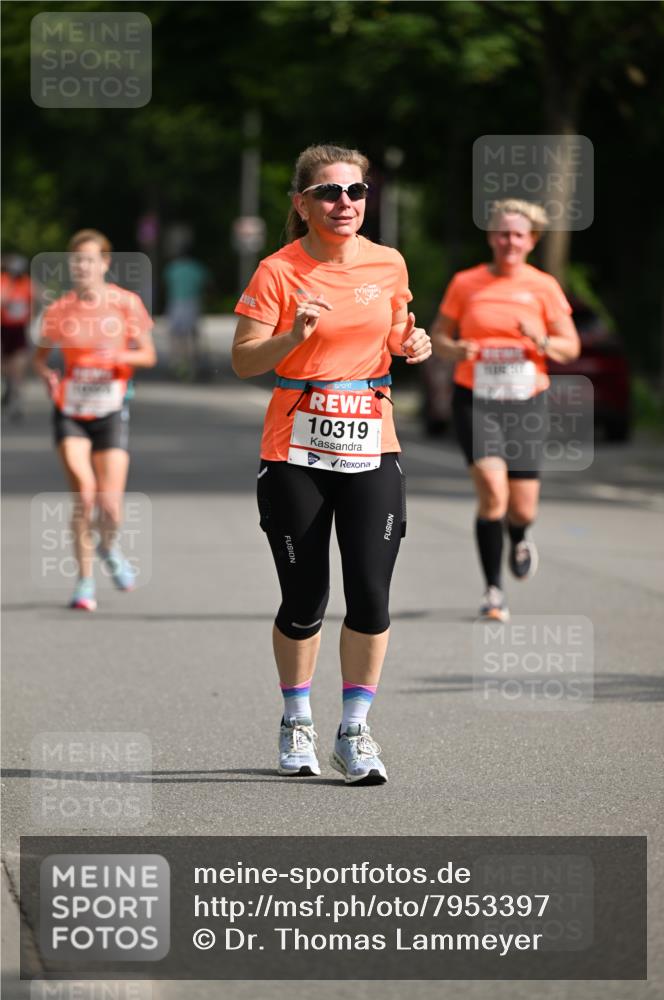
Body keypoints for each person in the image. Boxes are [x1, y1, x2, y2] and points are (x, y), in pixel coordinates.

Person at [232, 144, 431, 784]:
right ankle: (296, 722)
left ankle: (354, 731)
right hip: (295, 447)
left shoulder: (389, 261)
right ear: (302, 203)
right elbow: (243, 361)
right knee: (306, 597)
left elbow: (397, 331)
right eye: (329, 192)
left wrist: (411, 342)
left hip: (372, 443)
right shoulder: (277, 271)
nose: (345, 203)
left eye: (356, 191)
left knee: (371, 595)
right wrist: (293, 338)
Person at [431, 199, 580, 622]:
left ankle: (520, 534)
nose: (509, 241)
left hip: (527, 402)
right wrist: (455, 348)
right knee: (492, 494)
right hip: (476, 400)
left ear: (531, 240)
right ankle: (494, 591)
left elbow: (570, 348)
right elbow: (439, 335)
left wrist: (542, 340)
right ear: (490, 236)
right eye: (501, 233)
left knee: (522, 507)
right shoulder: (466, 283)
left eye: (518, 234)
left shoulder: (544, 286)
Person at [33, 229, 156, 611]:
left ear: (104, 264)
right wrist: (47, 375)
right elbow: (40, 356)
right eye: (76, 261)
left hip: (111, 408)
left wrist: (115, 358)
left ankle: (108, 545)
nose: (82, 267)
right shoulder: (59, 309)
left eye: (89, 260)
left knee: (111, 505)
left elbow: (147, 356)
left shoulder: (126, 304)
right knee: (84, 494)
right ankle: (84, 583)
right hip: (70, 410)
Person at [163, 249, 209, 379]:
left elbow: (167, 284)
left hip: (175, 302)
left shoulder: (172, 268)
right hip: (192, 302)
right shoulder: (196, 268)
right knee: (192, 334)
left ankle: (176, 362)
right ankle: (194, 362)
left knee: (175, 334)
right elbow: (206, 284)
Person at [1, 254, 36, 419]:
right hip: (3, 329)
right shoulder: (3, 281)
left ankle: (16, 398)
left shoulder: (27, 283)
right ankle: (8, 385)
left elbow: (36, 300)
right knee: (6, 366)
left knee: (19, 366)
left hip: (19, 330)